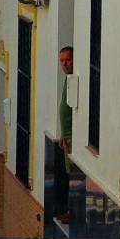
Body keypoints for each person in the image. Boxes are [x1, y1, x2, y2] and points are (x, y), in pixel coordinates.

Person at [55, 46, 74, 223]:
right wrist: (62, 134)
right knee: (69, 174)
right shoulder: (67, 80)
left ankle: (72, 212)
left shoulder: (74, 79)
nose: (64, 64)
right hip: (66, 137)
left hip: (72, 138)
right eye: (62, 61)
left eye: (67, 60)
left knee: (73, 175)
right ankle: (69, 210)